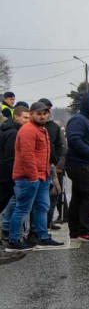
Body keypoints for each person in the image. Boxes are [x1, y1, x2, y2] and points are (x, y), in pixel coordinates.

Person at [7, 102, 62, 250]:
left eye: (45, 113)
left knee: (42, 207)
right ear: (31, 114)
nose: (43, 116)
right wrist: (33, 177)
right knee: (23, 209)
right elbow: (27, 156)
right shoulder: (28, 130)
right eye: (39, 114)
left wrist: (46, 173)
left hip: (42, 176)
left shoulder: (41, 129)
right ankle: (13, 240)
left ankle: (42, 236)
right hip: (28, 178)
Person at [64, 93, 89, 242]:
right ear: (87, 105)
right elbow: (74, 140)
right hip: (80, 163)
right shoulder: (78, 119)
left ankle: (75, 231)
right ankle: (84, 230)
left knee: (79, 197)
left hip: (83, 163)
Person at [0, 105, 29, 245]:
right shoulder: (13, 133)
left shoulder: (9, 129)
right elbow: (10, 158)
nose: (27, 120)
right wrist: (15, 177)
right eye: (25, 117)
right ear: (16, 116)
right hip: (7, 176)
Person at [37, 99, 66, 228]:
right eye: (43, 111)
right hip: (40, 167)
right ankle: (41, 225)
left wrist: (59, 165)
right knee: (42, 199)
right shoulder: (35, 127)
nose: (45, 114)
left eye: (48, 110)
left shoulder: (54, 127)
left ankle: (49, 221)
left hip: (54, 166)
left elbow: (62, 146)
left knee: (55, 194)